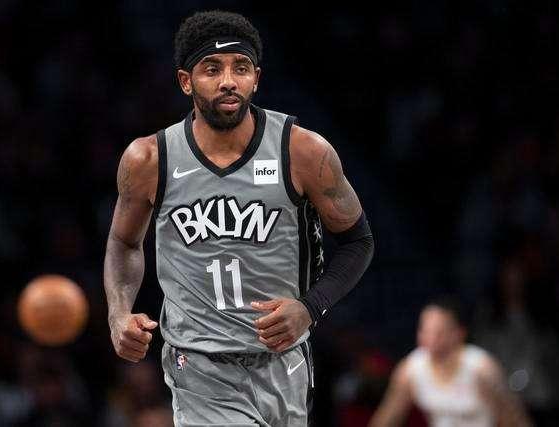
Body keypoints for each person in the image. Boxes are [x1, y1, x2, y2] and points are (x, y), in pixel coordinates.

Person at [103, 10, 374, 427]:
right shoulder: (149, 159)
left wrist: (309, 308)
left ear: (256, 79)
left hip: (284, 361)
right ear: (186, 81)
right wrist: (119, 312)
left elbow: (358, 241)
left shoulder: (303, 151)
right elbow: (124, 242)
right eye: (212, 69)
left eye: (240, 68)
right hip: (198, 365)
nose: (229, 80)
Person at [369, 297, 531, 427]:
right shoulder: (411, 369)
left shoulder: (481, 368)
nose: (430, 339)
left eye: (439, 332)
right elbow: (387, 418)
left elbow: (514, 420)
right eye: (425, 331)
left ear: (459, 333)